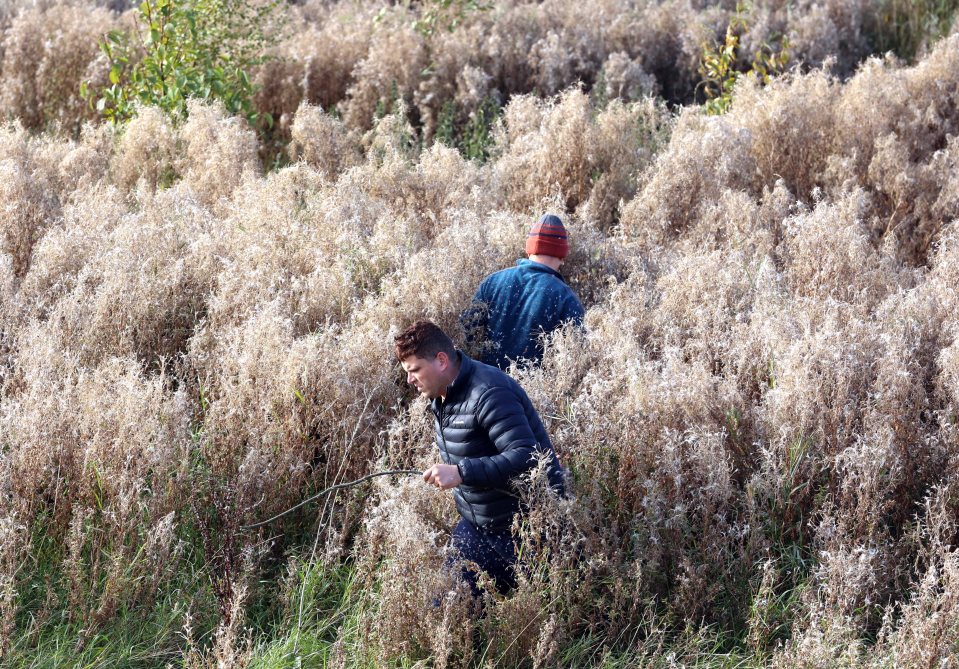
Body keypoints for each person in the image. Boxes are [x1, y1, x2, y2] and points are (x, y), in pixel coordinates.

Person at [394, 320, 565, 596]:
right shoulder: (442, 394)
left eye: (414, 370)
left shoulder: (489, 393)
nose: (409, 380)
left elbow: (527, 456)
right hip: (478, 525)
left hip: (524, 528)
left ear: (441, 360)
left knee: (546, 614)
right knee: (450, 606)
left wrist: (461, 472)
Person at [463, 213, 584, 370]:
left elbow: (466, 335)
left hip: (486, 388)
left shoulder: (492, 282)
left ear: (529, 250)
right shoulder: (565, 298)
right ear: (562, 256)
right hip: (532, 392)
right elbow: (577, 357)